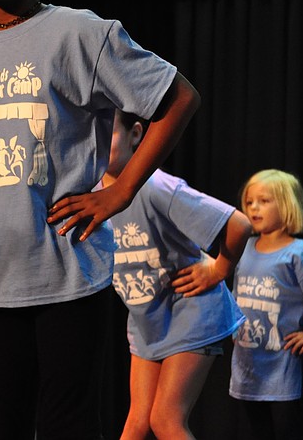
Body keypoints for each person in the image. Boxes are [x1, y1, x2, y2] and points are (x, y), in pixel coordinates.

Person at [0, 0, 201, 439]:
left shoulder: (80, 32)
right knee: (3, 424)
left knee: (68, 423)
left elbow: (179, 98)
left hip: (65, 267)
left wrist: (120, 192)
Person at [104, 110, 251, 439]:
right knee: (137, 422)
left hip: (191, 310)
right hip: (148, 319)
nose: (96, 141)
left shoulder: (155, 186)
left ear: (135, 134)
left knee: (166, 419)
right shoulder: (93, 194)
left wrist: (219, 269)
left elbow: (238, 225)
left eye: (107, 131)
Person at [230, 169, 303, 440]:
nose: (254, 207)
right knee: (258, 431)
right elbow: (235, 297)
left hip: (283, 371)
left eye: (264, 201)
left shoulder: (299, 253)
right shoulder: (244, 247)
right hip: (248, 367)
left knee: (288, 431)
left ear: (287, 205)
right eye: (249, 201)